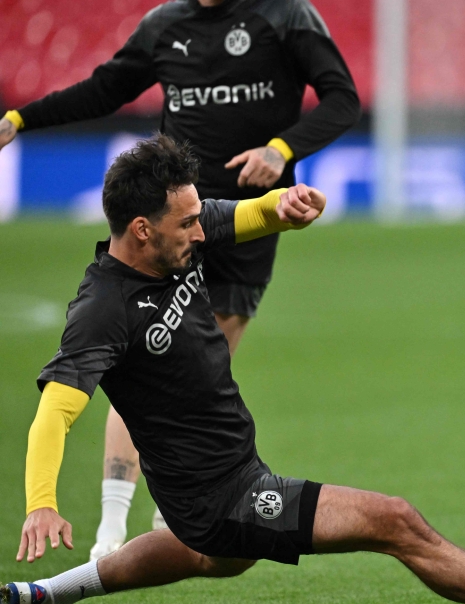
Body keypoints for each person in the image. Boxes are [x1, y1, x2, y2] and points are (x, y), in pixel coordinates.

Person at [0, 135, 465, 604]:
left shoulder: (173, 230)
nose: (199, 231)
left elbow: (244, 214)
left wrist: (284, 210)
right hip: (219, 493)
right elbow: (53, 413)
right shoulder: (103, 309)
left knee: (209, 556)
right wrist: (41, 505)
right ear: (141, 230)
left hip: (226, 476)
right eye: (185, 224)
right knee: (394, 521)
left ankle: (43, 597)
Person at [0, 0, 362, 559]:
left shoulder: (285, 16)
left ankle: (165, 511)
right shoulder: (165, 25)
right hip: (167, 224)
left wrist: (281, 150)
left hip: (233, 221)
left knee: (202, 360)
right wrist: (20, 119)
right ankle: (111, 532)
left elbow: (343, 99)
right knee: (144, 354)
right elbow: (105, 88)